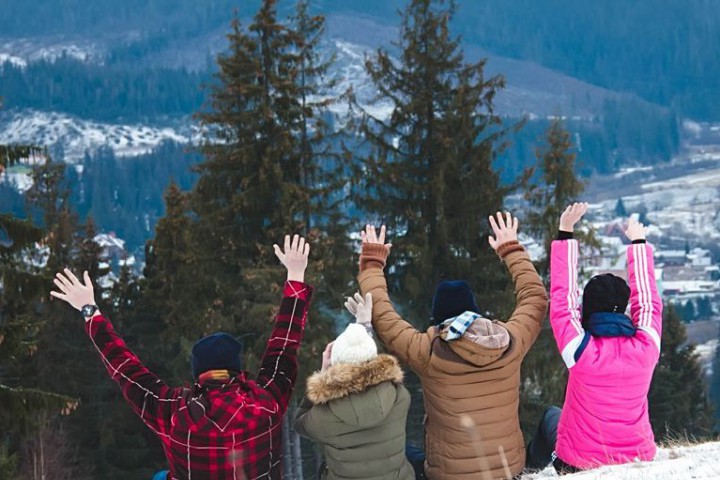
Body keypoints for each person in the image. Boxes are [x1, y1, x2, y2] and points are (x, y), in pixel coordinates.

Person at [50, 234, 313, 480]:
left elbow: (125, 368)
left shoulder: (176, 413)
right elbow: (284, 345)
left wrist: (89, 310)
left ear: (198, 371)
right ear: (236, 368)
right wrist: (296, 274)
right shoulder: (266, 403)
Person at [357, 213, 548, 480]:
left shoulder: (428, 351)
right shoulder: (510, 341)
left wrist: (372, 261)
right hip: (509, 471)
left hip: (447, 476)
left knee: (398, 451)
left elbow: (382, 316)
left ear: (437, 318)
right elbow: (535, 299)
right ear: (476, 311)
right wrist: (511, 248)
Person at [525, 203, 662, 474]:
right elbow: (648, 302)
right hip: (638, 460)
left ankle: (524, 470)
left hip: (577, 464)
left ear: (588, 307)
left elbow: (563, 301)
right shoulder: (647, 348)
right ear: (623, 307)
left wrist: (566, 233)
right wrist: (638, 244)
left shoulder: (581, 350)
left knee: (550, 417)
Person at [294, 292, 414, 480]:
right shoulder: (399, 397)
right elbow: (378, 370)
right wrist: (365, 327)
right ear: (373, 360)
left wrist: (322, 375)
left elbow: (299, 422)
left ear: (334, 363)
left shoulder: (323, 415)